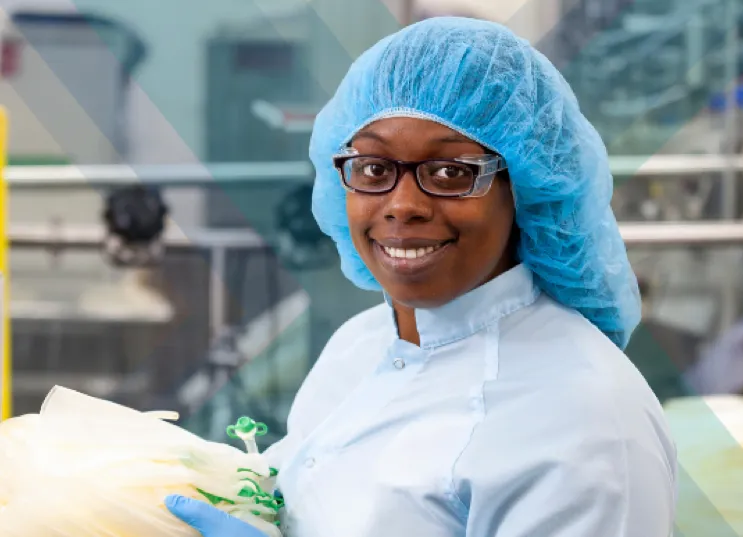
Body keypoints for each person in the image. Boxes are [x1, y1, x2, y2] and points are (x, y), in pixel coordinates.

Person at [166, 17, 678, 537]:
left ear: (526, 188)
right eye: (372, 167)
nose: (402, 205)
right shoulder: (359, 346)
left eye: (451, 172)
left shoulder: (586, 424)